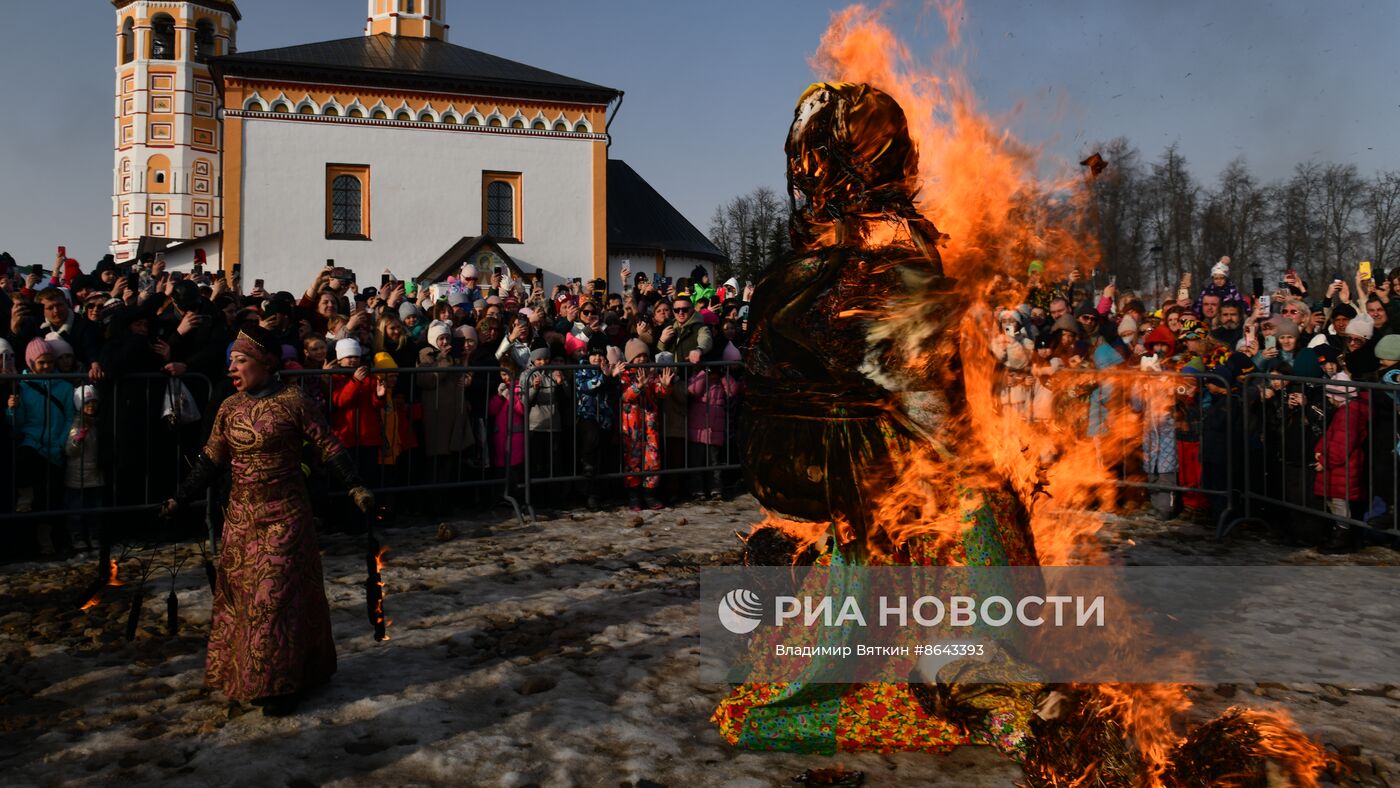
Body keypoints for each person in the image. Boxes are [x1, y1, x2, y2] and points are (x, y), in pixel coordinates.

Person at [714, 83, 1042, 759]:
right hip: (870, 473)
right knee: (983, 503)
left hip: (822, 471)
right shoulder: (898, 266)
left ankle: (964, 665)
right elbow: (935, 415)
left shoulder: (795, 268)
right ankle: (985, 674)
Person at [161, 325, 374, 716]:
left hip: (286, 515)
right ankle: (251, 675)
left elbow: (329, 446)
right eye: (230, 362)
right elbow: (211, 458)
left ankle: (281, 684)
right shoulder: (229, 407)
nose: (232, 368)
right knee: (244, 601)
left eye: (240, 361)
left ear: (265, 363)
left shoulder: (295, 402)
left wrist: (356, 487)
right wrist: (179, 497)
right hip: (241, 519)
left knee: (273, 600)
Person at [619, 338, 672, 510]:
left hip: (650, 422)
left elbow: (659, 392)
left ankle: (650, 494)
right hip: (631, 424)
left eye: (644, 355)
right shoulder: (625, 374)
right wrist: (638, 387)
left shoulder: (651, 373)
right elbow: (625, 396)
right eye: (637, 356)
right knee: (633, 459)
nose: (641, 359)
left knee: (653, 457)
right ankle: (634, 496)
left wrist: (664, 386)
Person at [63, 384, 104, 552]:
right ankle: (77, 536)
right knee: (76, 509)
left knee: (95, 509)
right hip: (77, 475)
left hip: (96, 473)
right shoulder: (76, 424)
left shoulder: (99, 423)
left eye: (94, 402)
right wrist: (77, 441)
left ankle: (94, 535)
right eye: (87, 402)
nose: (91, 406)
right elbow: (70, 450)